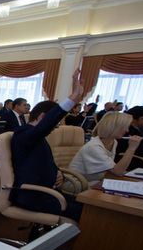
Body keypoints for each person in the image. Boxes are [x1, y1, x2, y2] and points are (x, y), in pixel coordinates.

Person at [10, 69, 86, 222]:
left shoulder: (39, 138)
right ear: (44, 117)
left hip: (47, 192)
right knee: (86, 214)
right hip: (33, 196)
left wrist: (58, 172)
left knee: (90, 207)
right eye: (56, 122)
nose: (57, 126)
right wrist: (73, 96)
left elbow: (47, 161)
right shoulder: (23, 134)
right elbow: (42, 128)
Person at [67, 111, 143, 189]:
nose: (127, 130)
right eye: (125, 127)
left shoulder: (113, 142)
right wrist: (131, 148)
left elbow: (113, 170)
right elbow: (117, 171)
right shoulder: (94, 147)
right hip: (77, 182)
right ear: (115, 127)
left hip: (95, 180)